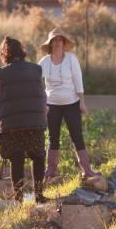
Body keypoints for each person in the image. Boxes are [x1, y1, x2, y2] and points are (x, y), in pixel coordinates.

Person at [0, 36, 48, 203]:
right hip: (34, 123)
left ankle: (19, 199)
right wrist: (42, 115)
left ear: (4, 54)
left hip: (11, 127)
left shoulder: (1, 74)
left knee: (17, 158)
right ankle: (39, 195)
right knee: (38, 156)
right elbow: (42, 96)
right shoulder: (36, 69)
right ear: (22, 52)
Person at [39, 28, 99, 179]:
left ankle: (86, 169)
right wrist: (42, 103)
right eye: (54, 40)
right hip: (51, 105)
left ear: (63, 43)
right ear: (50, 44)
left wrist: (82, 102)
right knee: (53, 137)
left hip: (72, 103)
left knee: (77, 136)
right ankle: (51, 170)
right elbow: (36, 84)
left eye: (60, 40)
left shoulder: (71, 59)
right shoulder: (44, 62)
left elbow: (78, 81)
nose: (57, 43)